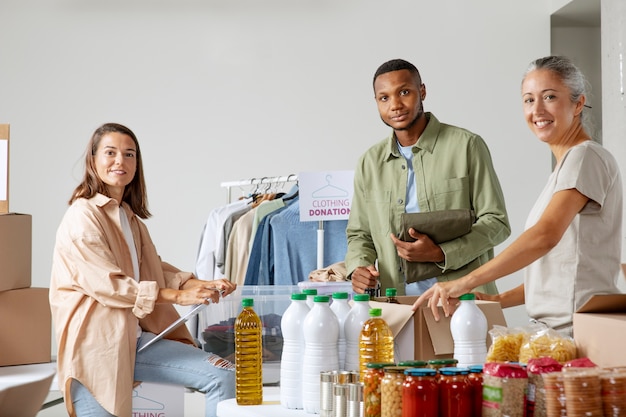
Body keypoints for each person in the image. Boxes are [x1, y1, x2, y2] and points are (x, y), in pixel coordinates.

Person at [412, 55, 623, 336]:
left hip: (578, 332)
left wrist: (464, 282)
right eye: (528, 99)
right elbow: (557, 271)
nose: (537, 110)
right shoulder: (567, 166)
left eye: (549, 97)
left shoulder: (585, 157)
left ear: (578, 103)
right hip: (556, 331)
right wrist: (495, 300)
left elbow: (544, 236)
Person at [49, 123, 237, 417]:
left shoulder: (128, 217)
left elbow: (150, 267)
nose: (120, 161)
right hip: (96, 349)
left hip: (135, 341)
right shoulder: (81, 217)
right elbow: (109, 284)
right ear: (93, 160)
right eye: (110, 153)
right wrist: (176, 296)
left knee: (223, 374)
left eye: (129, 154)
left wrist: (197, 284)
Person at [345, 58, 511, 296]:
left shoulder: (466, 146)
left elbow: (497, 222)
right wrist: (359, 266)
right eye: (385, 98)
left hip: (463, 300)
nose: (395, 105)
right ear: (376, 102)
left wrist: (442, 253)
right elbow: (359, 233)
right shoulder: (369, 163)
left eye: (404, 92)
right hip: (396, 302)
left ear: (422, 91)